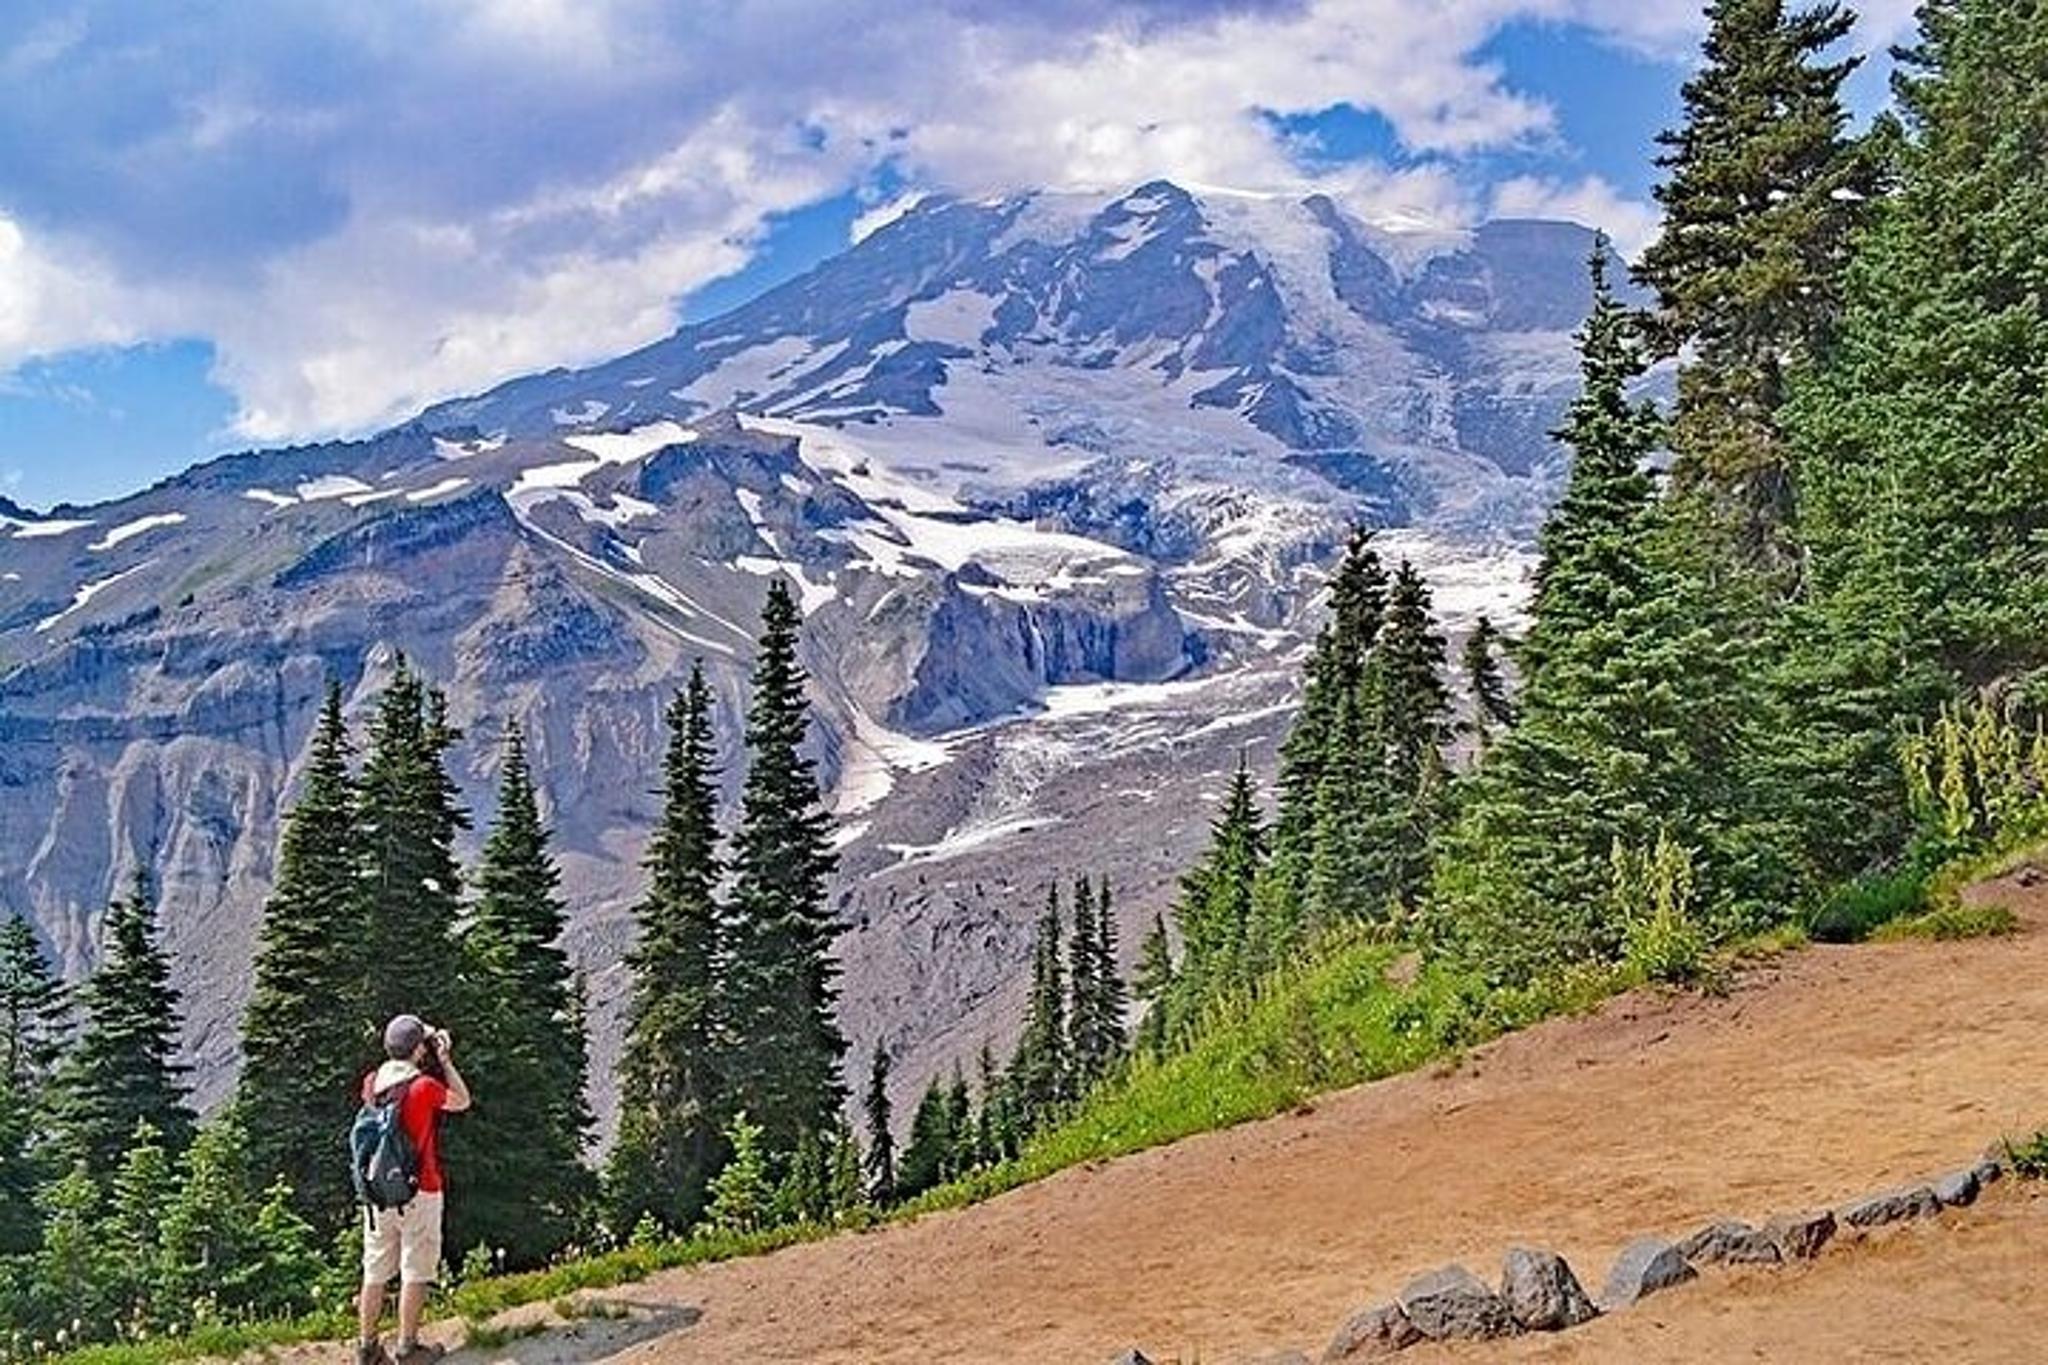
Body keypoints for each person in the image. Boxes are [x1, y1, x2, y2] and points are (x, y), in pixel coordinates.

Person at [356, 1013, 471, 1365]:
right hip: (420, 1190)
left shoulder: (372, 1082)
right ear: (419, 1048)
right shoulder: (424, 1087)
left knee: (374, 1272)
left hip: (378, 1193)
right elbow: (462, 1100)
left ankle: (367, 1347)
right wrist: (445, 1060)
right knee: (415, 1270)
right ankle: (408, 1348)